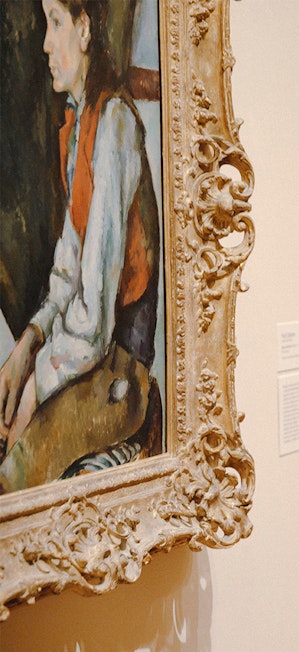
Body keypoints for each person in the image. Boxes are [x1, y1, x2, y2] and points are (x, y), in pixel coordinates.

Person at [0, 0, 160, 491]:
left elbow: (93, 322)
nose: (46, 44)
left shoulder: (114, 126)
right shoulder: (81, 127)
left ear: (85, 29)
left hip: (119, 375)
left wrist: (35, 388)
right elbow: (67, 274)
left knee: (14, 477)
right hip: (89, 360)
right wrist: (27, 344)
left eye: (56, 23)